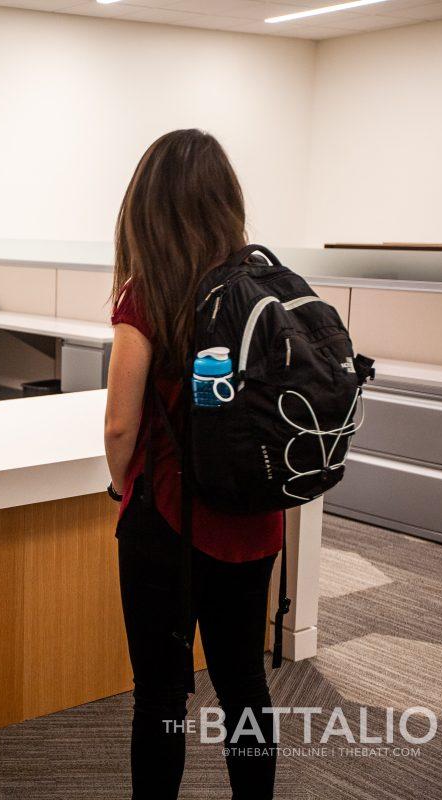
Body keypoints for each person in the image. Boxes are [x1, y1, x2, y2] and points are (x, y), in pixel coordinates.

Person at [103, 129, 282, 800]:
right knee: (245, 683)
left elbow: (121, 424)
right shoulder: (262, 288)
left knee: (160, 699)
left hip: (171, 525)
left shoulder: (146, 294)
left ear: (149, 206)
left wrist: (126, 490)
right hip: (255, 521)